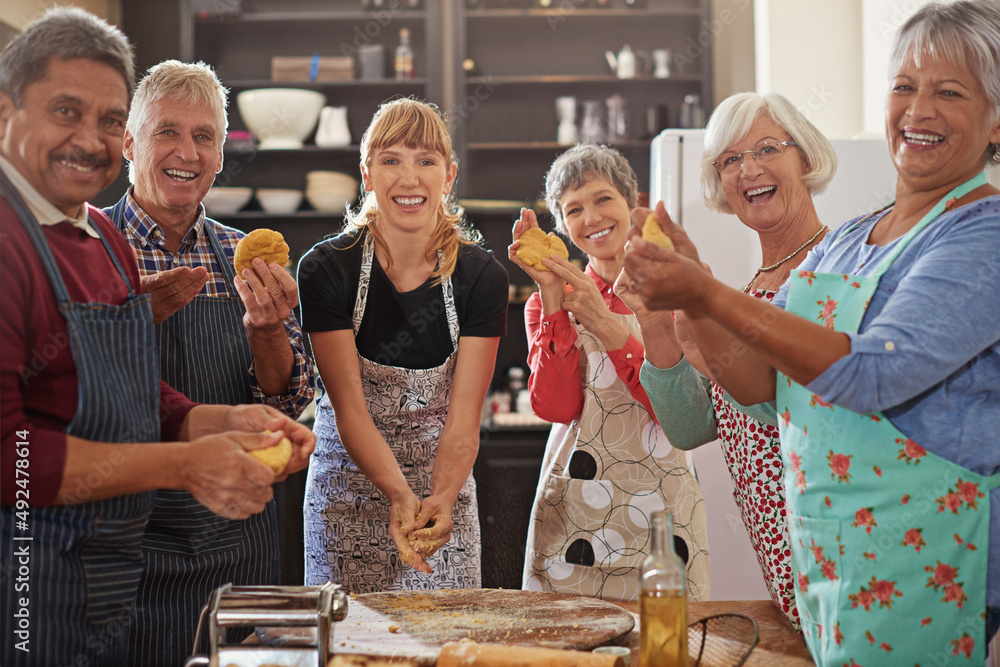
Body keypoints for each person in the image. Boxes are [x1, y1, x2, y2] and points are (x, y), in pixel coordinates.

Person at [623, 1, 1000, 664]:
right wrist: (699, 298)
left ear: (996, 119)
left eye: (950, 91)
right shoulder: (852, 241)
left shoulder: (982, 234)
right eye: (904, 87)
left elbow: (871, 373)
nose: (918, 111)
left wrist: (704, 291)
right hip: (832, 558)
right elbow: (763, 388)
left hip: (928, 558)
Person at [0, 8, 314, 667]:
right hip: (42, 580)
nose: (90, 140)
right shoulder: (10, 244)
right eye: (66, 111)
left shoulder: (99, 239)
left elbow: (139, 395)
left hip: (135, 571)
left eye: (108, 120)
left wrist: (221, 418)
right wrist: (186, 463)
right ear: (9, 113)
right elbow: (12, 459)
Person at [104, 60, 314, 666]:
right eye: (167, 131)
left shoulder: (244, 256)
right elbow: (59, 394)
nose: (186, 152)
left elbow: (284, 401)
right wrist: (128, 319)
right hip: (125, 542)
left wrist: (266, 329)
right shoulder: (91, 251)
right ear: (129, 143)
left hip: (236, 541)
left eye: (204, 137)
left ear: (221, 155)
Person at [635, 92, 837, 630]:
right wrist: (655, 322)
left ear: (806, 158)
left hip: (837, 539)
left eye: (767, 149)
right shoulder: (749, 290)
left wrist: (704, 323)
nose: (749, 170)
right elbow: (691, 426)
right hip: (779, 558)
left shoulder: (834, 269)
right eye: (730, 160)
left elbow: (825, 409)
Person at [298, 98, 508, 592]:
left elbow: (463, 420)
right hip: (344, 496)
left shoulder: (481, 278)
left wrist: (442, 497)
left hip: (443, 500)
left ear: (449, 174)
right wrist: (397, 494)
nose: (409, 178)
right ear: (367, 174)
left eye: (426, 161)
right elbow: (350, 411)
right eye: (391, 160)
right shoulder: (327, 269)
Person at [509, 143, 710, 603]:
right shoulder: (546, 301)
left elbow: (678, 412)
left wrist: (605, 324)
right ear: (562, 227)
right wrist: (556, 298)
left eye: (603, 199)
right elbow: (555, 407)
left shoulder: (675, 288)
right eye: (573, 209)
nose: (592, 217)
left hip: (664, 511)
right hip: (576, 510)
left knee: (669, 645)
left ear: (631, 202)